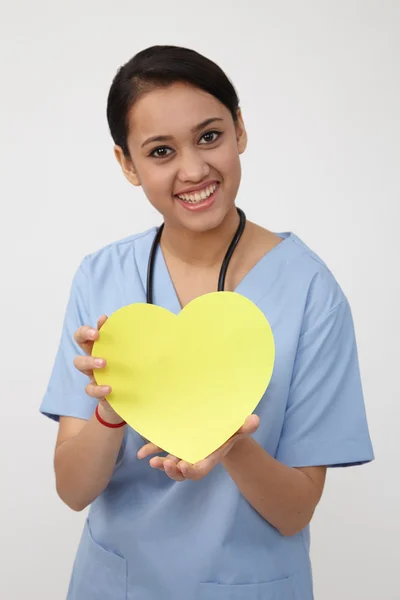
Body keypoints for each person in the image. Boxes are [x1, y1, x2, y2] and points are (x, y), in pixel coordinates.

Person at [40, 45, 374, 600]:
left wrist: (231, 443)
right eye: (161, 151)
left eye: (210, 136)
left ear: (240, 129)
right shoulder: (102, 278)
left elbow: (295, 512)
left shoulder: (310, 291)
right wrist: (108, 411)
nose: (193, 169)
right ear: (127, 164)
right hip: (115, 584)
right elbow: (73, 491)